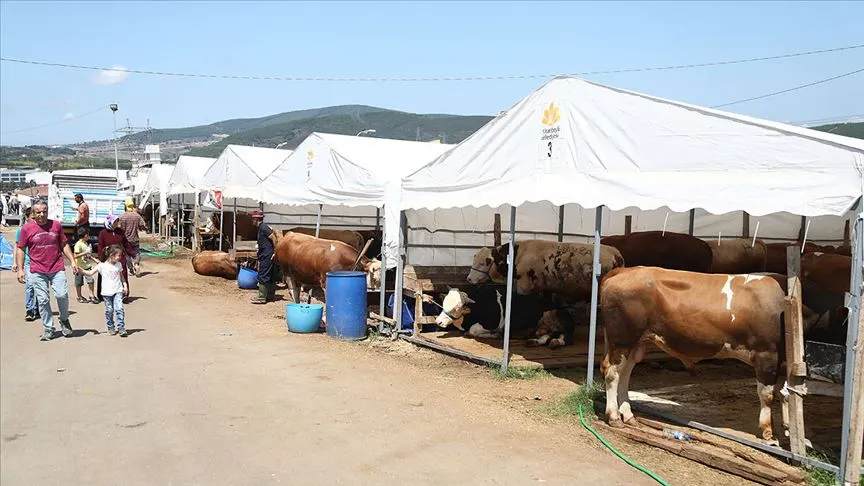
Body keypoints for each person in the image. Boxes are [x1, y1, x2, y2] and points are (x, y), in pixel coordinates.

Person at [15, 199, 79, 341]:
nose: (42, 215)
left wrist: (73, 261)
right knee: (43, 300)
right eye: (38, 212)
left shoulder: (56, 225)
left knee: (62, 295)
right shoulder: (26, 228)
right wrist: (20, 269)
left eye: (44, 211)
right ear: (33, 212)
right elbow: (20, 248)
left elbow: (64, 244)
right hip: (37, 269)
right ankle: (48, 328)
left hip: (56, 267)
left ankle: (64, 320)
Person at [80, 245, 129, 337]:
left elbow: (121, 276)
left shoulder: (119, 265)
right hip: (106, 293)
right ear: (111, 255)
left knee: (119, 309)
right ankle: (110, 327)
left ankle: (121, 327)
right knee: (109, 310)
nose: (120, 257)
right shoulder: (102, 266)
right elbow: (90, 273)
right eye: (118, 255)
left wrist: (125, 285)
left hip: (117, 290)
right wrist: (79, 269)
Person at [97, 214, 136, 302]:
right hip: (108, 258)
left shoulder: (120, 232)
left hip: (119, 257)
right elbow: (100, 247)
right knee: (106, 276)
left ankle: (124, 294)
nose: (116, 224)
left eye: (117, 222)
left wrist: (133, 254)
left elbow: (126, 244)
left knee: (123, 274)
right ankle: (103, 295)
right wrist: (100, 258)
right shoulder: (103, 233)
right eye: (114, 222)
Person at [13, 207, 39, 321]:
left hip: (40, 263)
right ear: (27, 218)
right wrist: (17, 265)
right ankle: (29, 309)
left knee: (40, 287)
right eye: (32, 218)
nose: (34, 220)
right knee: (30, 286)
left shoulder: (41, 228)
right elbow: (18, 247)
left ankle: (38, 309)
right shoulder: (22, 230)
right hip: (28, 262)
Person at [250, 209, 278, 304]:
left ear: (256, 219)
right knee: (270, 274)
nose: (252, 221)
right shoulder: (261, 227)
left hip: (267, 254)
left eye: (253, 219)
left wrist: (275, 251)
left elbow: (273, 237)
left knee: (263, 274)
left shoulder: (264, 227)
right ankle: (270, 295)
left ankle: (262, 297)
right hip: (266, 254)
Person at [115, 199, 146, 276]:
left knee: (126, 255)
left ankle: (131, 269)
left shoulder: (122, 216)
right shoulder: (137, 216)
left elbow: (118, 227)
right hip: (135, 238)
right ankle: (136, 263)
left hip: (126, 240)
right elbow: (143, 226)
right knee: (137, 253)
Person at [73, 226, 98, 304]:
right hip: (79, 267)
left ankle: (92, 295)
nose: (89, 236)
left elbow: (88, 255)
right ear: (85, 235)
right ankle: (79, 296)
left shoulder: (86, 243)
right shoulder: (78, 244)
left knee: (91, 281)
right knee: (78, 283)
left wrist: (95, 260)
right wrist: (85, 252)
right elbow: (75, 256)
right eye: (88, 234)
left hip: (87, 266)